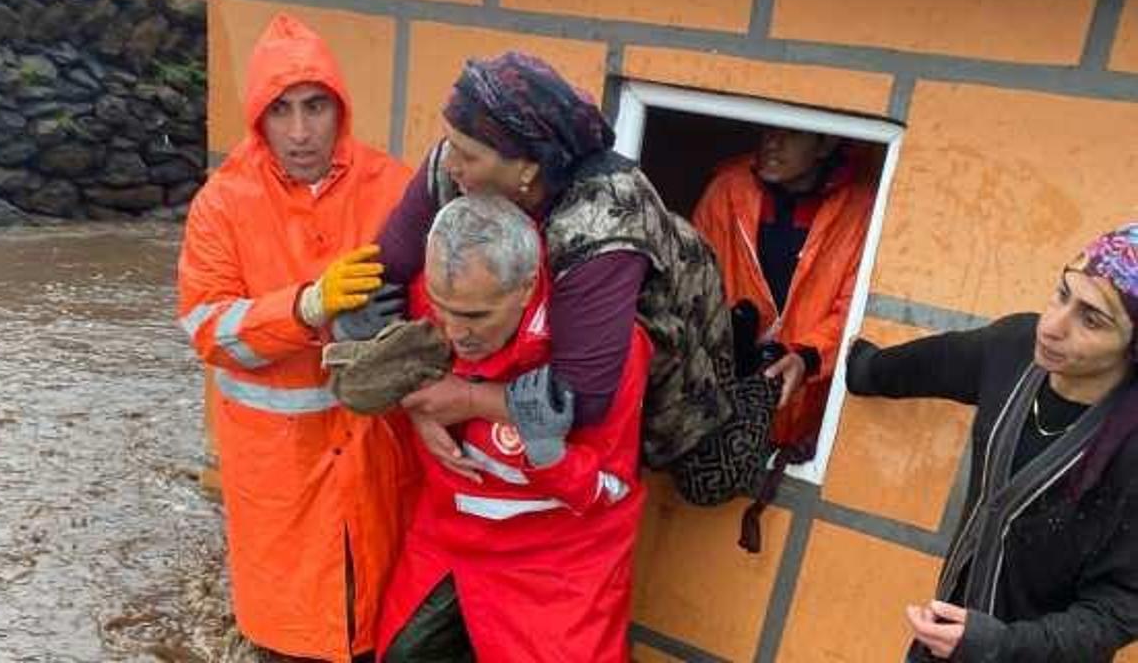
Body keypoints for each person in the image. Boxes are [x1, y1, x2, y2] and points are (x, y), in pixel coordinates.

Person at [373, 51, 737, 483]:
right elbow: (380, 281)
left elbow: (581, 397)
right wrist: (417, 397)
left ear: (528, 167)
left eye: (467, 154)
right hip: (522, 383)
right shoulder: (455, 169)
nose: (450, 162)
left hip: (660, 383)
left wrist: (464, 400)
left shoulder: (605, 217)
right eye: (450, 142)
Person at [176, 14, 414, 662]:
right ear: (258, 117)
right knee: (288, 637)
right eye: (281, 111)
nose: (301, 131)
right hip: (278, 476)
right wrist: (307, 306)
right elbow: (208, 331)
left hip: (378, 462)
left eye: (316, 107)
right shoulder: (222, 205)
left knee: (373, 624)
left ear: (340, 108)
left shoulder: (393, 187)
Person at [375, 195, 650, 662]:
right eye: (443, 308)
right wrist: (419, 407)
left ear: (526, 288)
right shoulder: (436, 294)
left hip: (558, 557)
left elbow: (613, 489)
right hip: (450, 536)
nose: (455, 331)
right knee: (403, 655)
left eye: (476, 316)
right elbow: (369, 361)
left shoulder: (601, 348)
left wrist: (549, 456)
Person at [845, 224, 1138, 661]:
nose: (1053, 326)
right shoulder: (1013, 349)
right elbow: (922, 366)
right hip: (941, 648)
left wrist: (997, 644)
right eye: (1061, 294)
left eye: (1091, 319)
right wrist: (852, 367)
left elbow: (1119, 608)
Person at [692, 126, 875, 453]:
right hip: (720, 393)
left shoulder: (860, 210)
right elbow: (692, 283)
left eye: (792, 131)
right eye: (768, 128)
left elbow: (855, 308)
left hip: (806, 412)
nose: (772, 142)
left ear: (826, 143)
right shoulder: (727, 191)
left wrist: (807, 358)